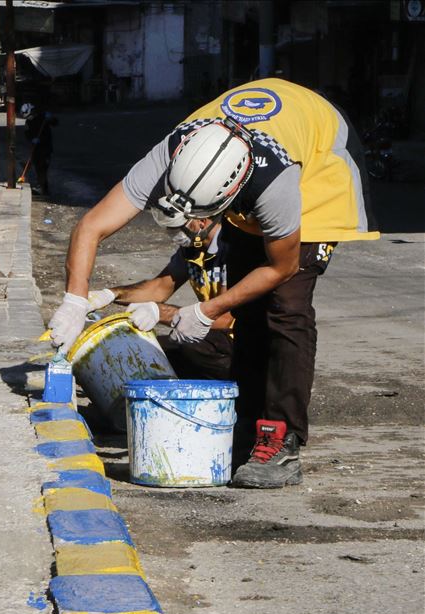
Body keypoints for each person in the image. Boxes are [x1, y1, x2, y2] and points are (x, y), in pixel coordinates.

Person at [47, 78, 378, 489]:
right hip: (252, 156)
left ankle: (282, 440)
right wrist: (75, 300)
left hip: (320, 166)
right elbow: (92, 225)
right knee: (250, 310)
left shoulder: (274, 186)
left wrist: (206, 310)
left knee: (285, 307)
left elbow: (282, 267)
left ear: (229, 196)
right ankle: (245, 427)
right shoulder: (171, 152)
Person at [88, 216, 233, 381]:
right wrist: (109, 294)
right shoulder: (194, 249)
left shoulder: (232, 249)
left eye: (179, 226)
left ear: (202, 220)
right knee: (146, 351)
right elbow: (159, 288)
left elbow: (224, 318)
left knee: (188, 349)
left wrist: (161, 312)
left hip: (240, 340)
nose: (174, 233)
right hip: (214, 335)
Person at [21, 102, 58, 196]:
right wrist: (32, 139)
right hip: (36, 148)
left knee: (43, 167)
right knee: (38, 168)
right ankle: (43, 188)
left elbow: (55, 123)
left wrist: (51, 118)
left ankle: (42, 187)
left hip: (45, 147)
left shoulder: (42, 118)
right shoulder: (28, 122)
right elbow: (27, 133)